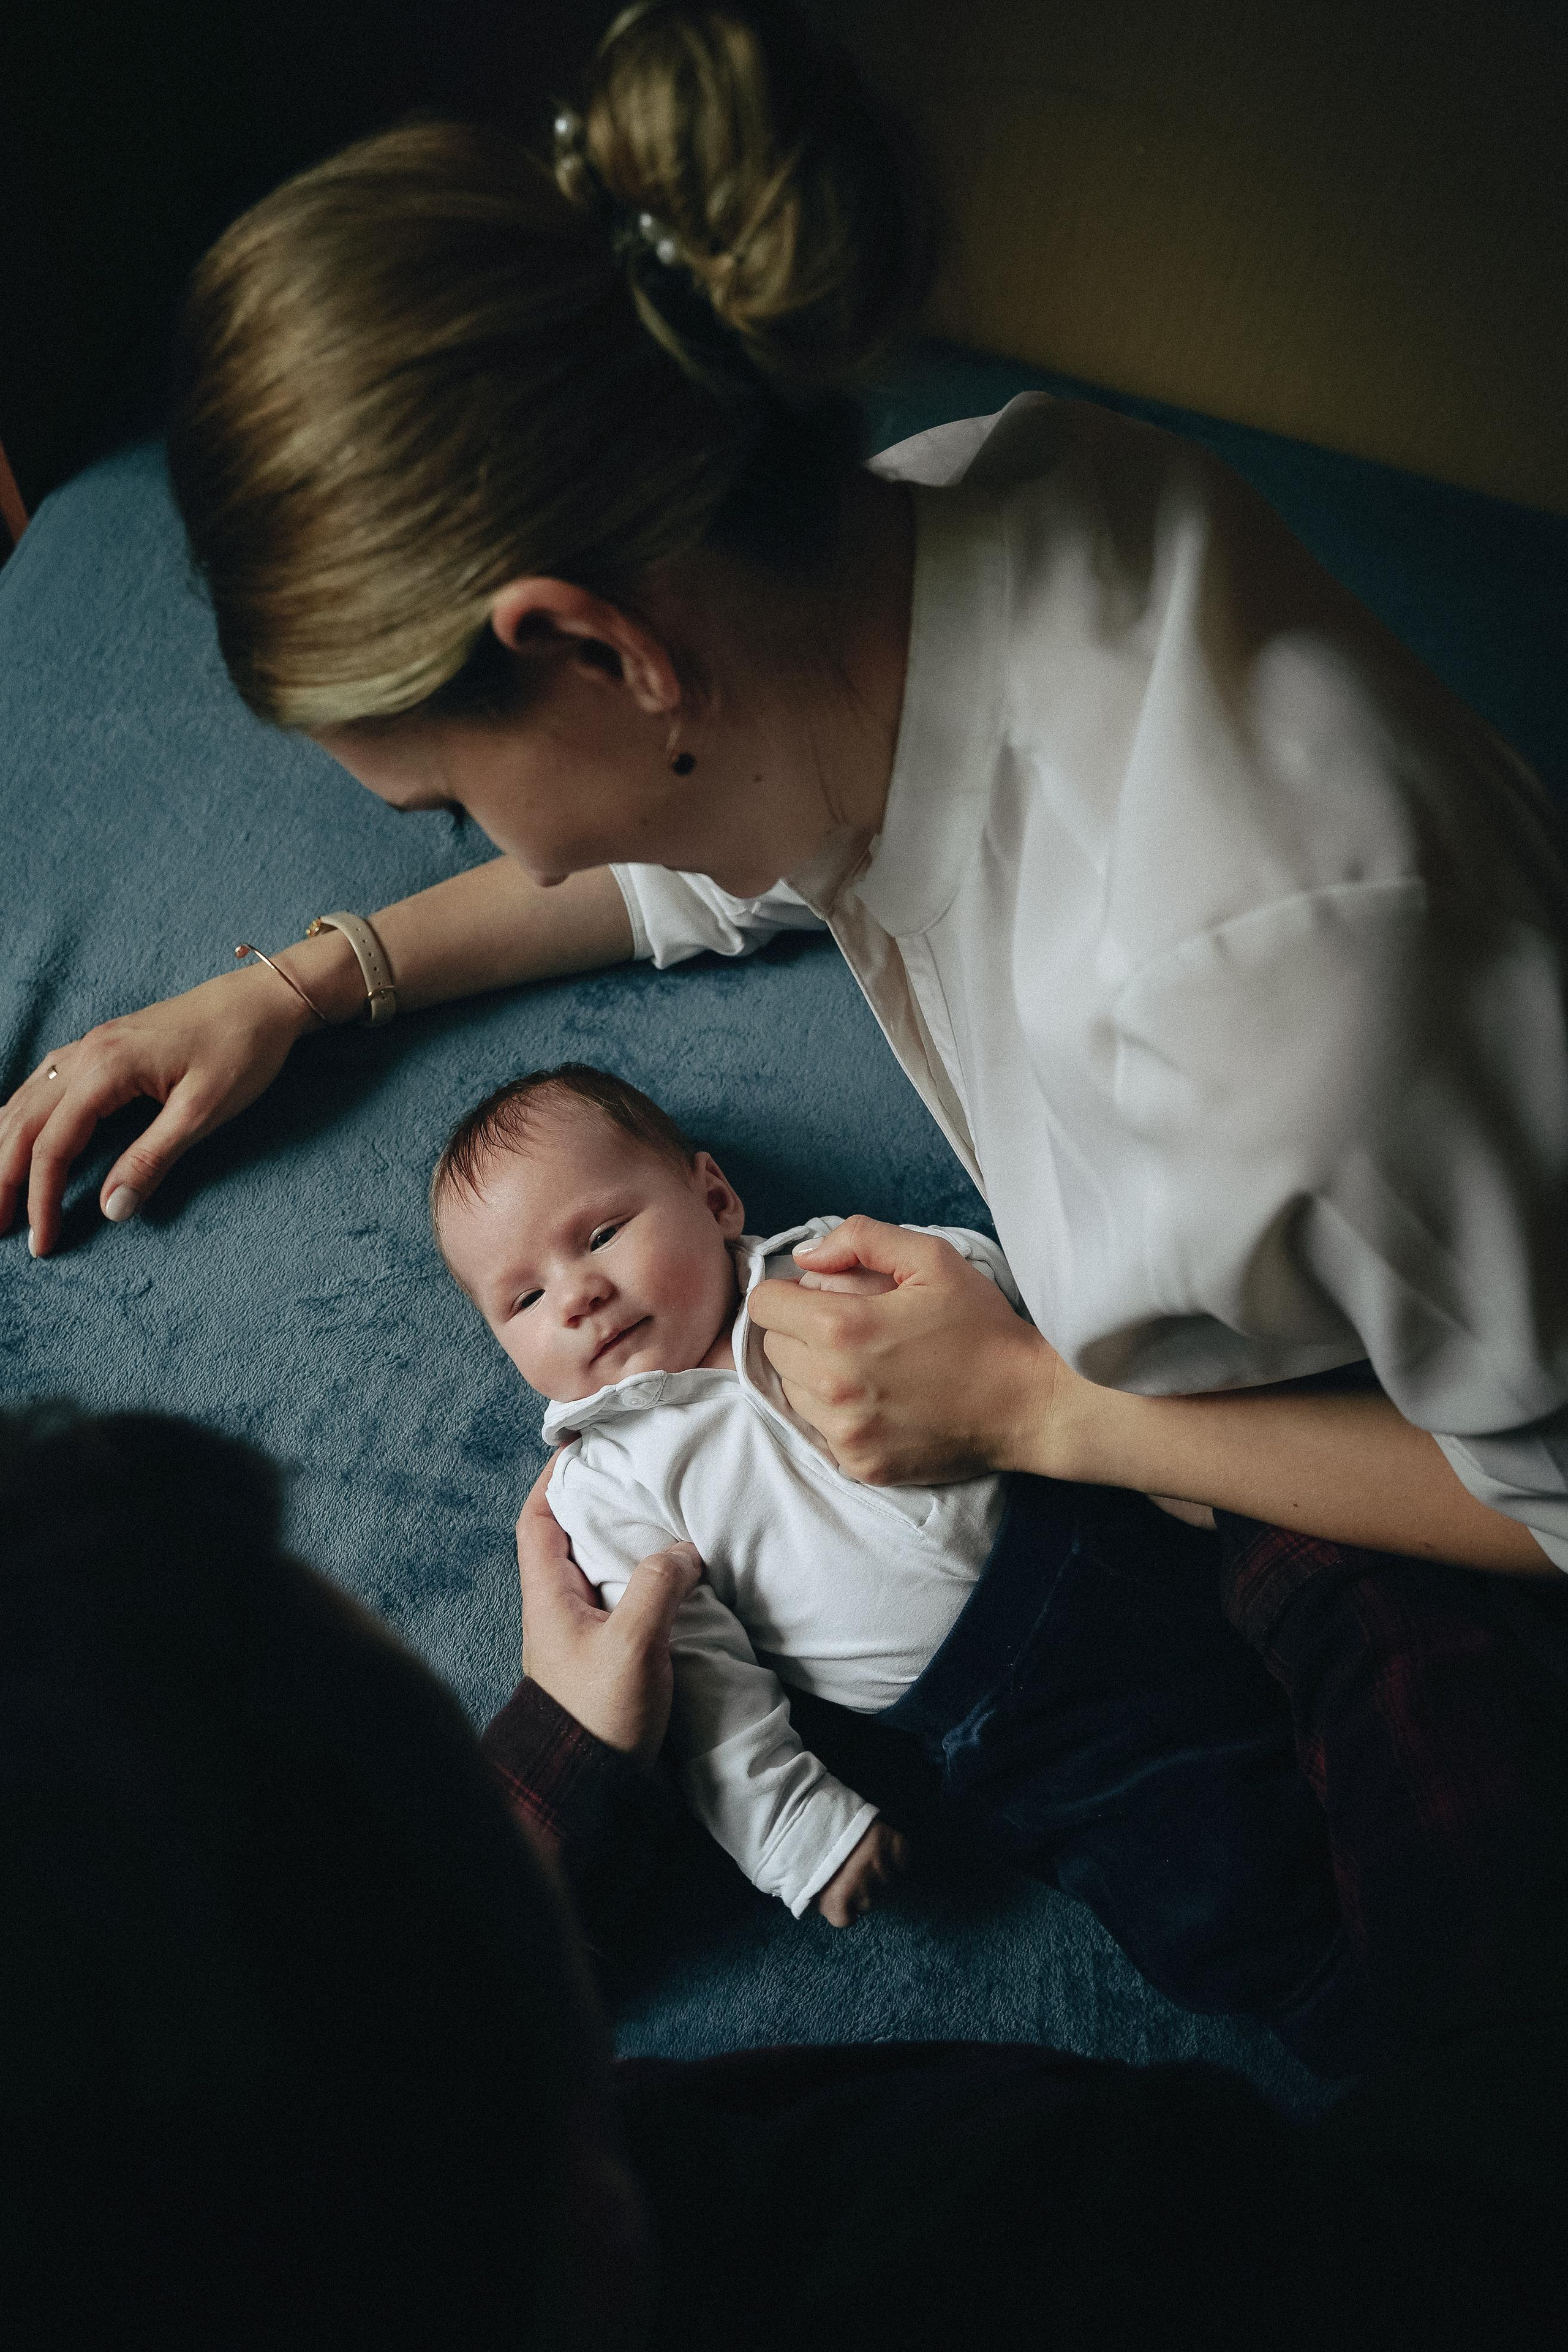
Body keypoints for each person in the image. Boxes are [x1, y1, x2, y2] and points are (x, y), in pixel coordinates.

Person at [1, 0, 1564, 1574]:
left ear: (600, 654)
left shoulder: (1269, 992)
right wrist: (304, 984)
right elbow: (699, 854)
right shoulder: (934, 529)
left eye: (455, 805)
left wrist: (1037, 1412)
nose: (507, 851)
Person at [6, 1400, 1566, 2350]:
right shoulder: (1023, 2242)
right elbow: (1492, 2195)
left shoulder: (242, 2215)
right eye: (446, 1746)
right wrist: (1294, 1522)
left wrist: (558, 1753)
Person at [433, 1058, 1392, 2069]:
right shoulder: (608, 1487)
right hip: (1007, 1710)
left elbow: (975, 1279)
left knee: (1351, 1676)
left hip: (1117, 1523)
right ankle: (1365, 2028)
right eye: (525, 1296)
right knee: (1208, 1889)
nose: (578, 1294)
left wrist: (976, 1283)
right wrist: (797, 1827)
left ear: (713, 1198)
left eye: (601, 1235)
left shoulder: (821, 1270)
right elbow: (699, 1684)